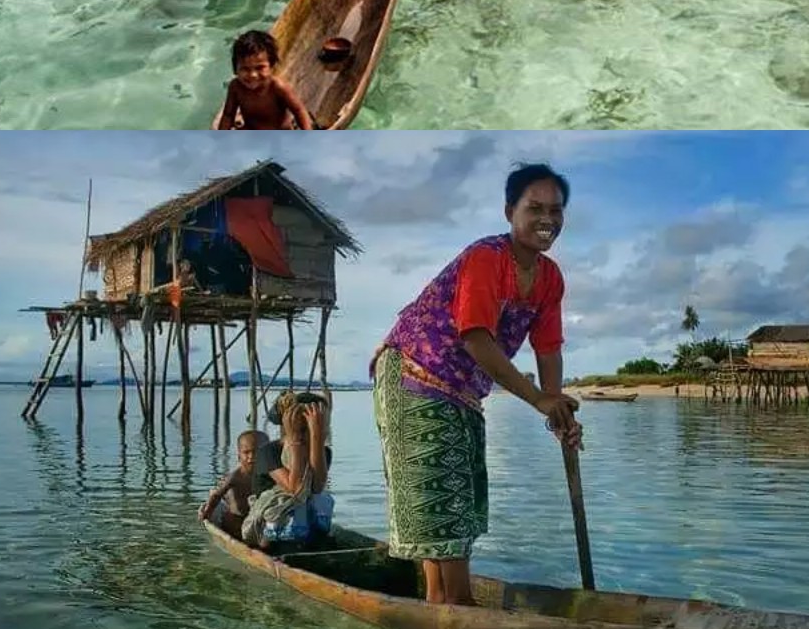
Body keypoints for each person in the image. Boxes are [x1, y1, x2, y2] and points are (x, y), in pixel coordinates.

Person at [370, 163, 583, 606]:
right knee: (439, 493)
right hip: (414, 373)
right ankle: (455, 605)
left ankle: (442, 603)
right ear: (510, 212)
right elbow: (475, 337)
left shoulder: (550, 278)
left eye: (556, 210)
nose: (547, 219)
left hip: (463, 390)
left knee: (461, 495)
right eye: (535, 208)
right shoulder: (488, 258)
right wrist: (539, 400)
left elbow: (548, 347)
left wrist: (557, 407)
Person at [243, 391, 334, 549]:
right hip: (267, 528)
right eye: (318, 423)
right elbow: (296, 489)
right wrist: (295, 439)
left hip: (303, 525)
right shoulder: (269, 452)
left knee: (322, 499)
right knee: (291, 501)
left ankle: (312, 543)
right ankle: (273, 550)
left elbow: (317, 487)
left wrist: (317, 439)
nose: (323, 427)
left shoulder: (323, 452)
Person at [217, 29, 314, 130]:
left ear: (272, 66)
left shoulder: (278, 87)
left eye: (259, 68)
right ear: (235, 69)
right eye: (245, 69)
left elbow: (299, 110)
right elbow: (228, 115)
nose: (253, 75)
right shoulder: (235, 87)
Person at [198, 430, 267, 537]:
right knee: (231, 519)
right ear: (239, 456)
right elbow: (216, 495)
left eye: (257, 451)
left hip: (258, 521)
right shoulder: (235, 477)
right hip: (236, 521)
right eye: (246, 452)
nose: (252, 457)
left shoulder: (271, 475)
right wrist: (207, 513)